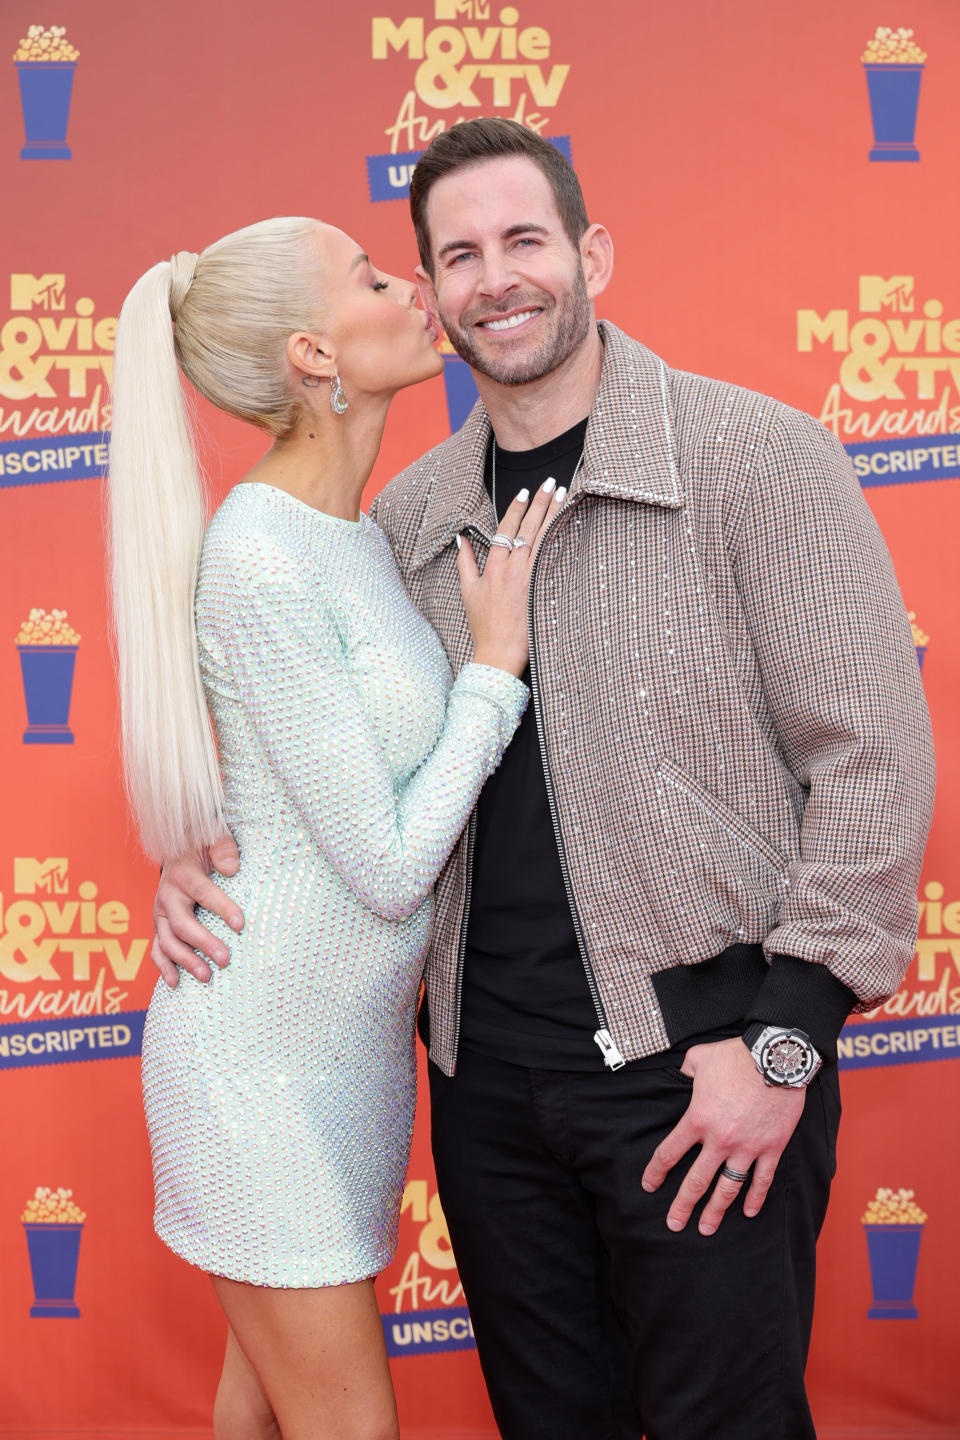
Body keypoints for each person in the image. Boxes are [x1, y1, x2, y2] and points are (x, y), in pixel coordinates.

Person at [152, 126, 935, 1440]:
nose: (492, 279)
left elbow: (873, 768)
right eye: (454, 256)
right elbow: (317, 747)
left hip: (705, 1073)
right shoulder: (397, 523)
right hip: (488, 1096)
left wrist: (783, 1043)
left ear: (592, 254)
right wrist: (207, 845)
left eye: (524, 241)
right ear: (435, 293)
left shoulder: (758, 459)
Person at [107, 214, 566, 1440]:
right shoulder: (260, 555)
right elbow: (384, 865)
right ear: (315, 354)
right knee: (348, 1425)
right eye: (372, 277)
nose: (412, 286)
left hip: (347, 1068)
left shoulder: (355, 536)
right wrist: (494, 670)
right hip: (257, 1072)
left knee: (260, 1408)